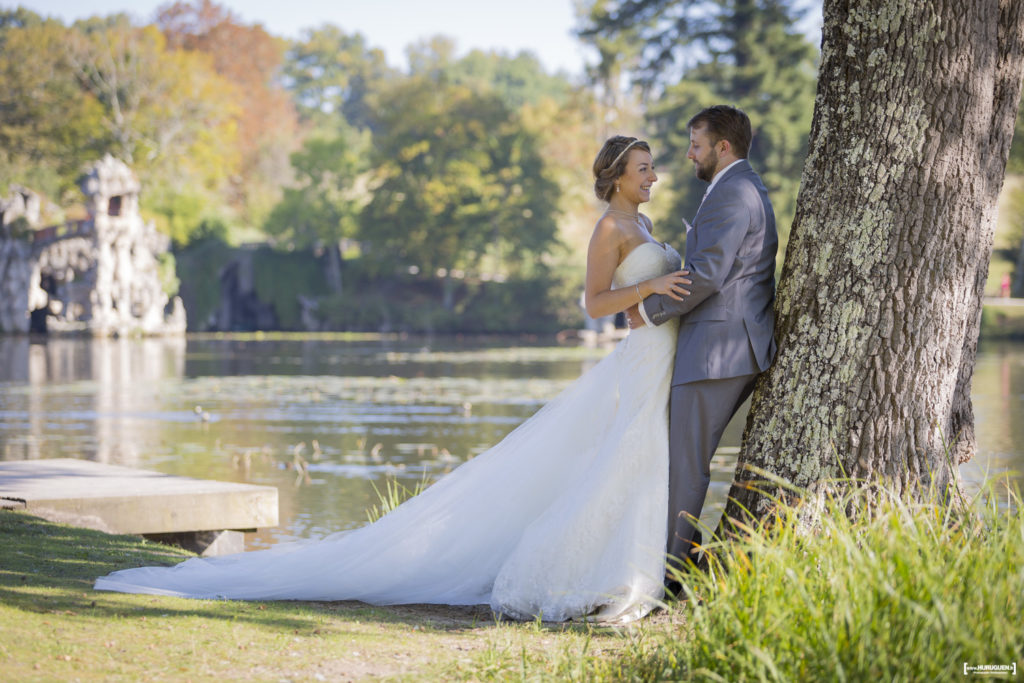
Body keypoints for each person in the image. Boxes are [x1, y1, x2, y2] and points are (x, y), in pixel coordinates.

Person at [95, 136, 691, 624]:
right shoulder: (609, 230)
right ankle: (602, 575)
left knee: (634, 459)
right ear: (616, 178)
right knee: (629, 456)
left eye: (653, 169)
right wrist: (650, 288)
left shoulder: (645, 223)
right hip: (639, 357)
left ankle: (626, 570)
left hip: (656, 356)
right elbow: (593, 303)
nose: (654, 177)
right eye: (644, 169)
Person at [626, 105, 778, 587]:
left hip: (718, 349)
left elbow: (709, 274)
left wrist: (648, 313)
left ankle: (670, 576)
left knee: (685, 464)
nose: (690, 154)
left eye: (696, 144)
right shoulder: (741, 187)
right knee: (684, 460)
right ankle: (675, 566)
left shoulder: (733, 193)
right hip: (727, 343)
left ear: (722, 147)